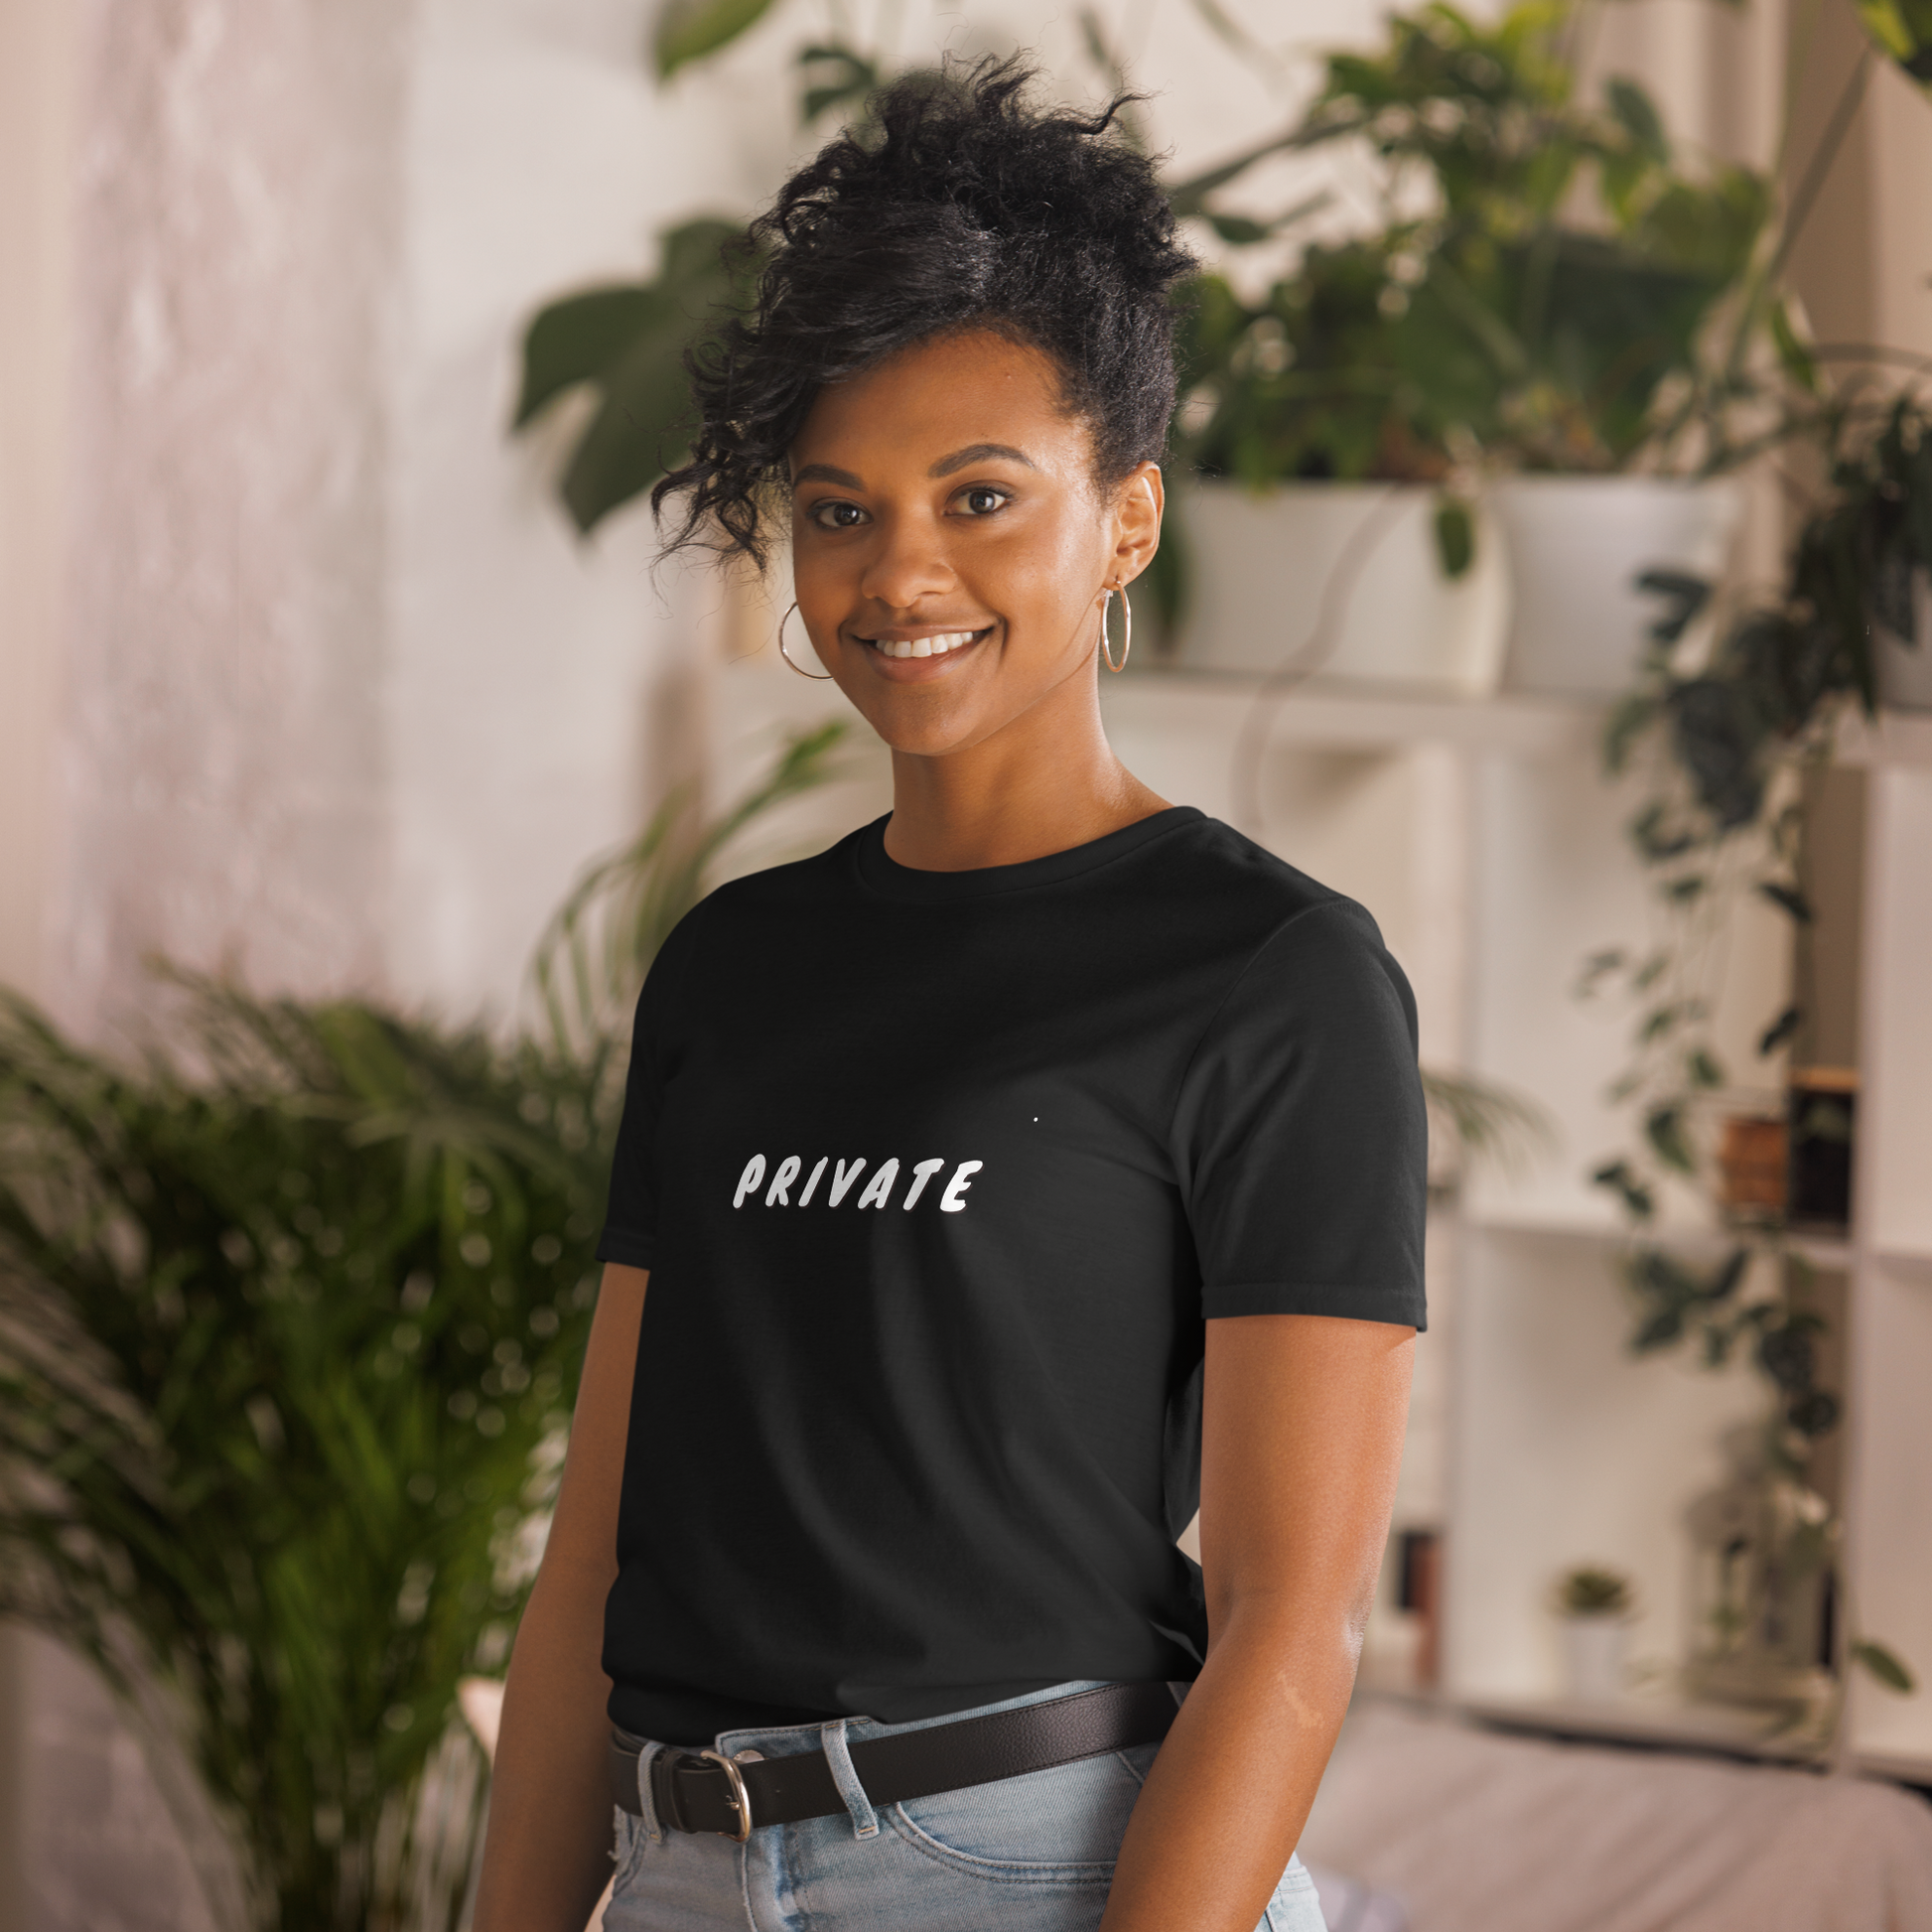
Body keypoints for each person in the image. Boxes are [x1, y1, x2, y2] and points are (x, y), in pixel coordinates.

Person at [473, 59, 1424, 1932]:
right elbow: (596, 1552)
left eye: (980, 497)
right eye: (838, 510)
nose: (898, 572)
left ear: (1124, 519)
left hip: (1033, 1867)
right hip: (677, 1869)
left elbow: (1290, 1621)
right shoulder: (732, 963)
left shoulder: (1269, 972)